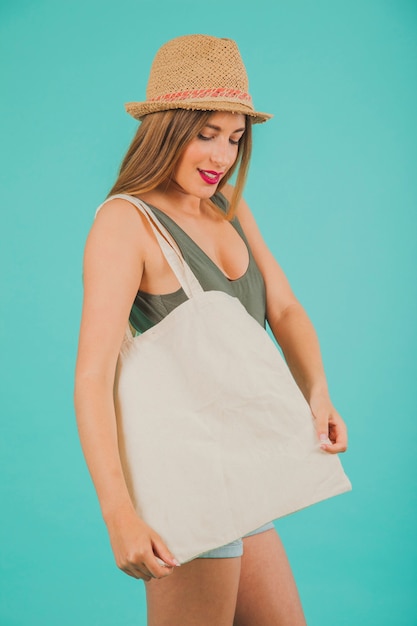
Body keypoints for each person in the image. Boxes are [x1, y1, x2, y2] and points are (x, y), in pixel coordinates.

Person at [74, 34, 348, 626]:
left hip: (241, 474)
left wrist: (318, 391)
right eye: (206, 133)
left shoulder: (228, 207)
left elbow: (287, 310)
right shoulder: (127, 222)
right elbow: (93, 376)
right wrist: (118, 513)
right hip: (188, 480)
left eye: (235, 136)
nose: (221, 155)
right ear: (166, 128)